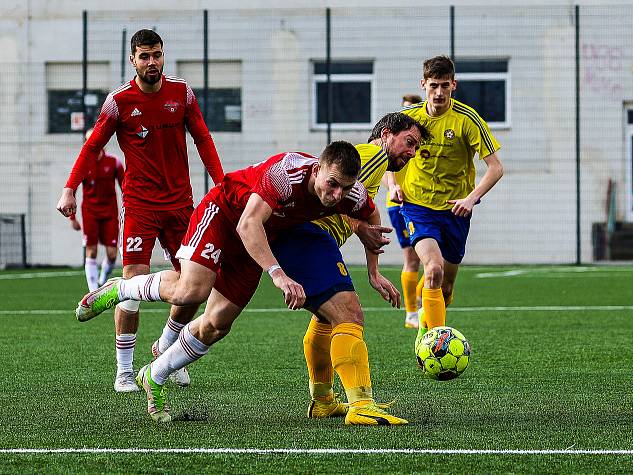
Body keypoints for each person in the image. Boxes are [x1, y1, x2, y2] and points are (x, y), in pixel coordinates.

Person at [76, 141, 408, 426]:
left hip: (262, 238)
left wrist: (374, 271)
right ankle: (122, 288)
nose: (335, 195)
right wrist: (279, 275)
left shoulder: (349, 192)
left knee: (217, 324)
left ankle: (154, 374)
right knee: (191, 291)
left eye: (343, 188)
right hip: (224, 215)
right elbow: (248, 224)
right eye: (331, 184)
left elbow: (370, 217)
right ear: (317, 169)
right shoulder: (287, 173)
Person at [56, 29, 224, 392]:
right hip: (140, 207)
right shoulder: (118, 102)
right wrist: (70, 188)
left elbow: (203, 139)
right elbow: (91, 148)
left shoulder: (182, 94)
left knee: (194, 287)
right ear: (132, 59)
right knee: (132, 287)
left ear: (164, 56)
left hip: (181, 205)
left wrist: (222, 183)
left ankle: (165, 349)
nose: (152, 62)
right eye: (145, 56)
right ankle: (124, 371)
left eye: (157, 55)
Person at [306, 113, 430, 419]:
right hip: (309, 237)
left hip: (315, 240)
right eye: (409, 143)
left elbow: (367, 216)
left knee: (327, 318)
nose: (412, 153)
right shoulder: (372, 156)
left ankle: (322, 401)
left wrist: (373, 271)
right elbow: (332, 196)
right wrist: (359, 230)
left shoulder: (374, 164)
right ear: (386, 134)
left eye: (416, 148)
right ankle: (361, 406)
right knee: (349, 313)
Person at [391, 55, 504, 348]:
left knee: (447, 286)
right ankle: (434, 343)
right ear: (423, 85)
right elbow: (384, 153)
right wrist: (392, 185)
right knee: (433, 269)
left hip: (456, 210)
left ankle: (426, 320)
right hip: (418, 206)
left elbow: (496, 167)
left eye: (444, 85)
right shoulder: (408, 120)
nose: (439, 93)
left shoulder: (467, 120)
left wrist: (471, 198)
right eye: (433, 86)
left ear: (453, 85)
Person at [382, 95, 425, 329]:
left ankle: (418, 295)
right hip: (399, 204)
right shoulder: (396, 140)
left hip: (423, 203)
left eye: (413, 110)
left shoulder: (417, 141)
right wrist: (393, 187)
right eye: (405, 110)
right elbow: (388, 168)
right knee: (412, 259)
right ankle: (411, 313)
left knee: (435, 260)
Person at [68, 128, 124, 292]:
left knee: (112, 254)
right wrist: (72, 218)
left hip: (110, 213)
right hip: (90, 213)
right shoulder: (84, 164)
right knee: (91, 251)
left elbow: (126, 187)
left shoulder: (114, 162)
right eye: (88, 140)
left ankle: (101, 281)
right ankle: (93, 291)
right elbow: (71, 191)